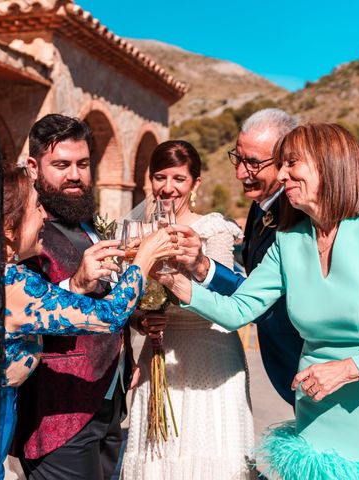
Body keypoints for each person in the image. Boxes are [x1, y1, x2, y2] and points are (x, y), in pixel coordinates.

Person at [162, 123, 359, 479]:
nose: (282, 174)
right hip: (316, 416)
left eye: (292, 163)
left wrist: (350, 368)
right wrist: (175, 283)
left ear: (329, 165)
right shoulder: (287, 242)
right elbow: (238, 310)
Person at [0, 166, 177, 479]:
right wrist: (143, 259)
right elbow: (110, 316)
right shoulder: (13, 285)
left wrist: (79, 284)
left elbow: (74, 311)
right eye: (36, 207)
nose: (44, 216)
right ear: (9, 229)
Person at [122, 140, 254, 479]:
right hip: (158, 356)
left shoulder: (213, 230)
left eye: (179, 179)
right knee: (158, 459)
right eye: (160, 177)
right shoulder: (134, 232)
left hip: (210, 353)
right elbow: (126, 302)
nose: (168, 188)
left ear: (195, 183)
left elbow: (228, 300)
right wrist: (141, 320)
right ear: (149, 180)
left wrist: (184, 281)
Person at [14, 114, 132, 480]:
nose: (75, 175)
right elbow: (22, 310)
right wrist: (75, 286)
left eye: (82, 164)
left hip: (110, 399)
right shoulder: (24, 233)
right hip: (58, 414)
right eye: (61, 165)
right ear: (33, 167)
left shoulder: (88, 223)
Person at [188, 109, 303, 406]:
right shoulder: (260, 207)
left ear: (286, 161)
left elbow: (262, 301)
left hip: (305, 363)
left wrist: (202, 268)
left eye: (253, 163)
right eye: (238, 159)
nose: (240, 173)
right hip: (286, 366)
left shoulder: (299, 216)